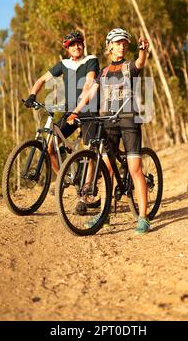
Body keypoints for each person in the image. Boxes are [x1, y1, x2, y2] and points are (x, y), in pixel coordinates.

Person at [67, 28, 151, 234]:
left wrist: (143, 50)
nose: (122, 46)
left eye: (124, 43)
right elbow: (90, 93)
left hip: (130, 120)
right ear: (110, 46)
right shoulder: (103, 72)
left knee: (135, 169)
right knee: (107, 170)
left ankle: (143, 217)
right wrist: (75, 112)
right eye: (118, 43)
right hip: (110, 123)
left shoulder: (129, 66)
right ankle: (104, 216)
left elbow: (140, 63)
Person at [24, 31, 99, 203]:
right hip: (70, 112)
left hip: (88, 110)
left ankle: (87, 190)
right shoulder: (64, 64)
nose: (76, 47)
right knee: (51, 147)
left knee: (88, 151)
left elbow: (89, 81)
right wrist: (32, 95)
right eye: (72, 45)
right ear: (67, 49)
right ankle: (66, 179)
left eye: (79, 43)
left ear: (83, 44)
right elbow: (42, 80)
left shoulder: (91, 60)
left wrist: (83, 98)